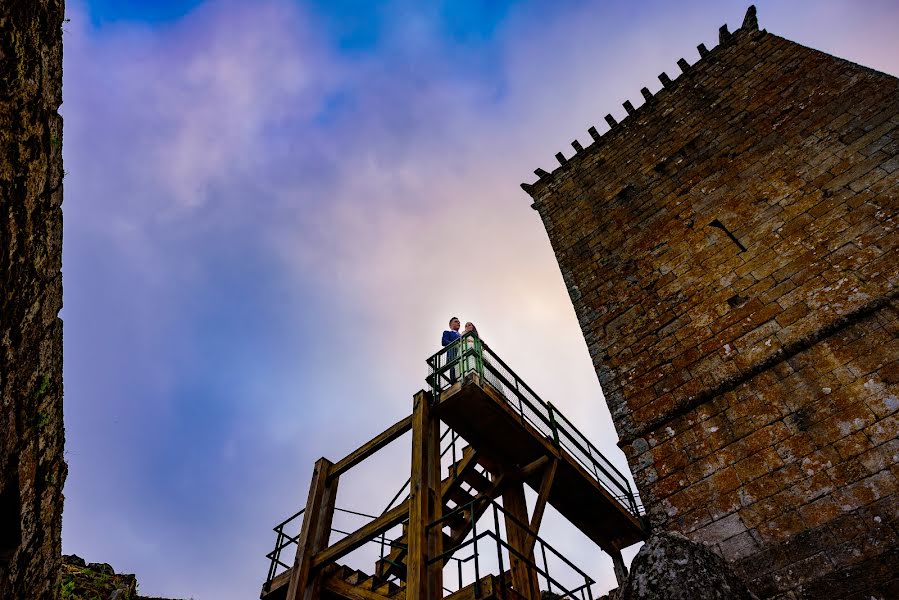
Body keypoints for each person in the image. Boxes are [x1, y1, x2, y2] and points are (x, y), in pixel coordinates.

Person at [441, 317, 462, 384]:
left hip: (461, 353)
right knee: (453, 368)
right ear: (450, 325)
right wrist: (455, 344)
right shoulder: (447, 332)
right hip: (453, 354)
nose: (458, 323)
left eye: (459, 322)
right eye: (456, 321)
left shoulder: (462, 335)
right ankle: (453, 383)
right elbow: (444, 341)